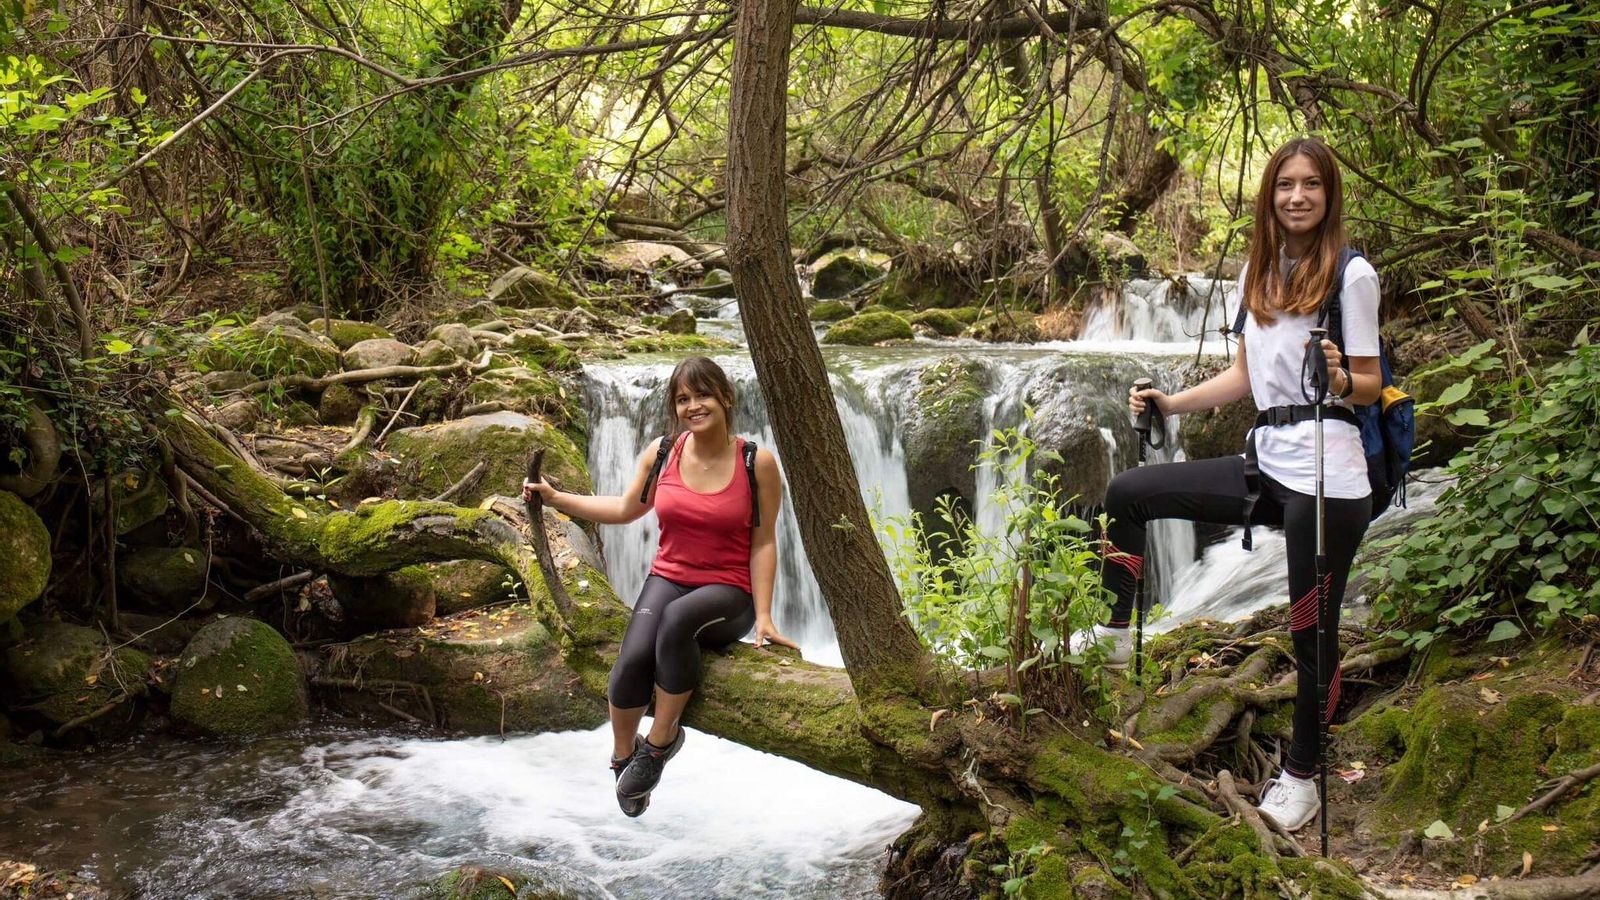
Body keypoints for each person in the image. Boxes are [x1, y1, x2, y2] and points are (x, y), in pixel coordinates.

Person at [1081, 136, 1381, 833]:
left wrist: (1338, 379)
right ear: (1269, 196)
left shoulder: (1351, 276)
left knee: (1312, 629)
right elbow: (1246, 378)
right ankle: (1114, 636)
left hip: (1330, 474)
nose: (1297, 196)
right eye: (1285, 184)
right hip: (1267, 458)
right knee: (1129, 495)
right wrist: (1169, 403)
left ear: (1329, 194)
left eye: (1311, 184)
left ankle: (1303, 775)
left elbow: (1370, 385)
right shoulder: (1260, 269)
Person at [523, 355, 795, 817]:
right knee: (629, 663)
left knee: (677, 622)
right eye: (683, 399)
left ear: (725, 398)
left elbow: (764, 541)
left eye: (703, 395)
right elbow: (628, 508)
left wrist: (765, 616)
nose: (694, 406)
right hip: (668, 576)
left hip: (729, 593)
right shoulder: (663, 452)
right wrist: (555, 498)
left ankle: (661, 742)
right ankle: (623, 760)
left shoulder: (756, 462)